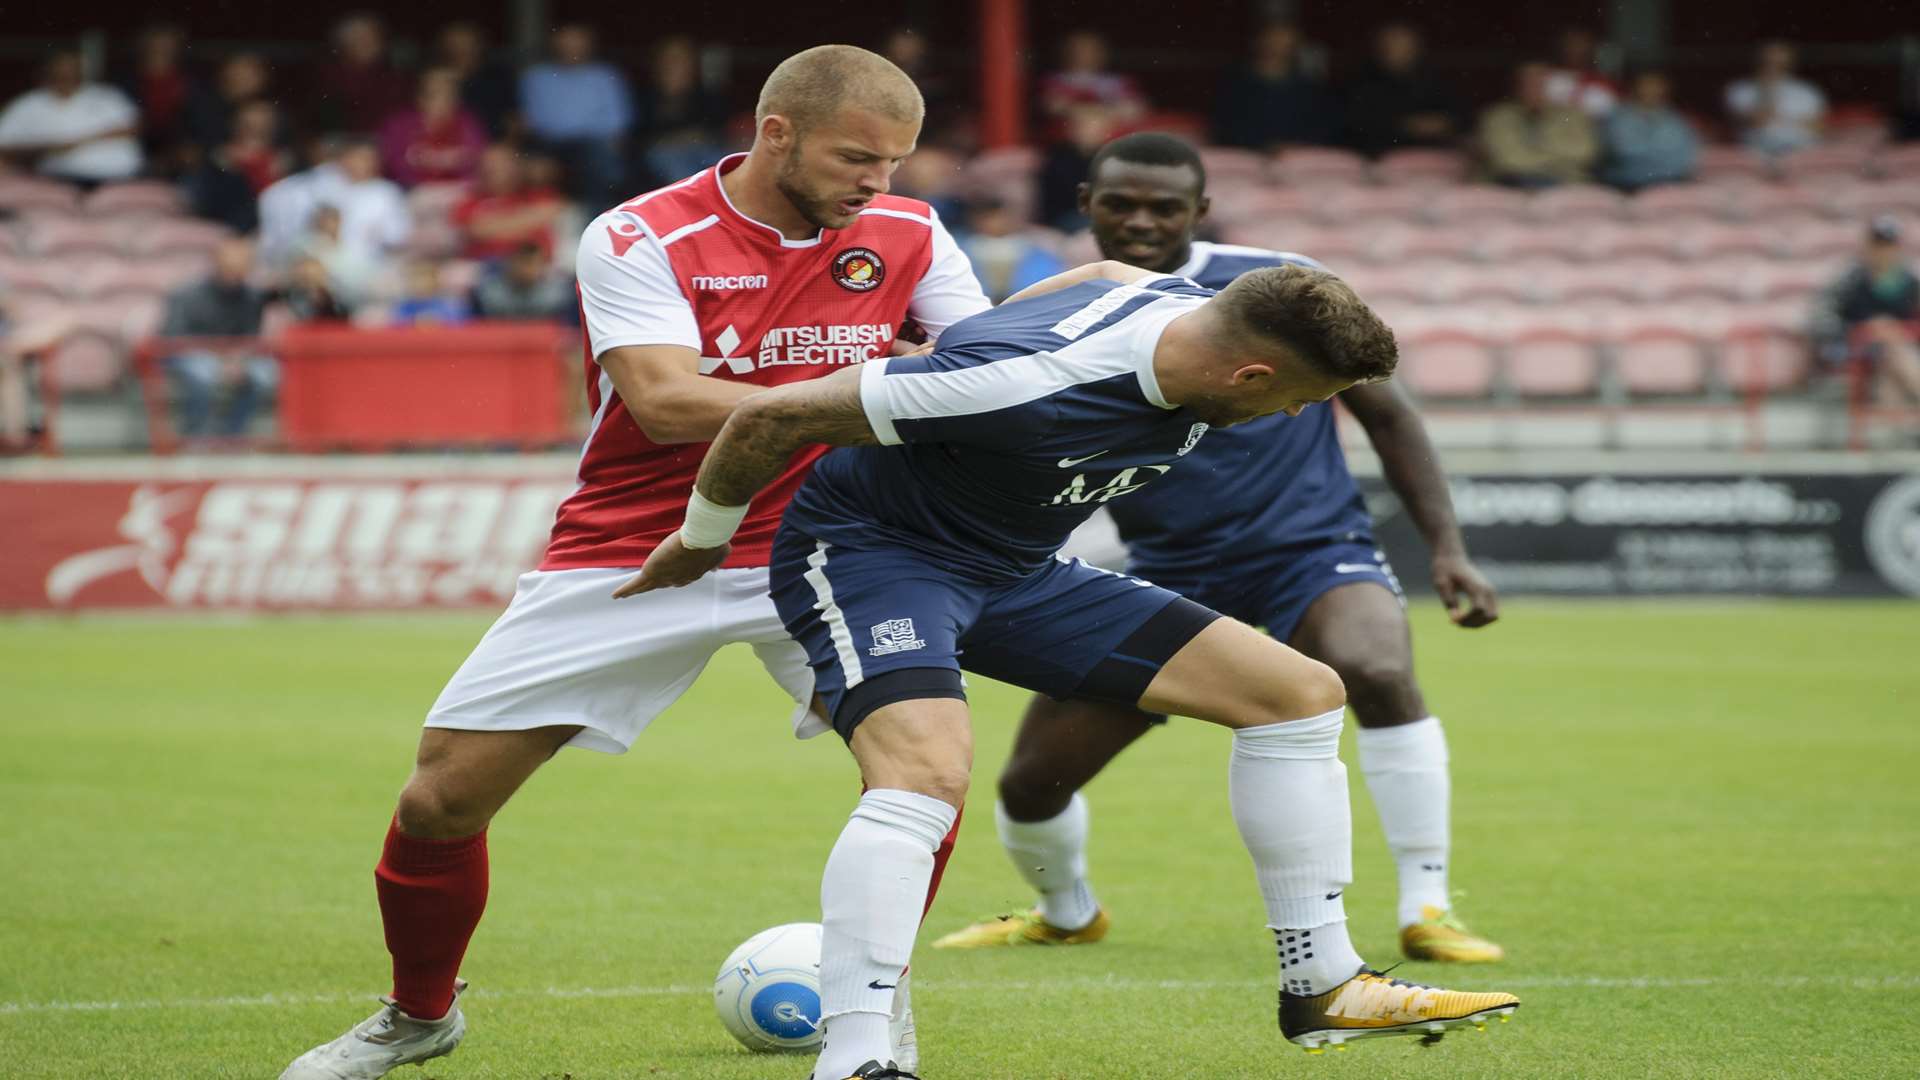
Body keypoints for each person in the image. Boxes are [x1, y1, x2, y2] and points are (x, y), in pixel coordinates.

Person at [276, 44, 991, 1080]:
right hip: (634, 543)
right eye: (856, 159)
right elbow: (665, 402)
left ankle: (870, 1014)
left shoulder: (911, 232)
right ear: (774, 132)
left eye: (894, 162)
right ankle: (421, 1016)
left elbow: (988, 372)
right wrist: (881, 387)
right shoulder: (642, 232)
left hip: (835, 543)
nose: (878, 183)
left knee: (928, 772)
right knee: (440, 801)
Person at [621, 259, 1520, 1075]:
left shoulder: (1176, 308)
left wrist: (982, 326)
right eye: (1294, 401)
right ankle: (857, 1054)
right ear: (1250, 374)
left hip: (1015, 567)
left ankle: (1323, 986)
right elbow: (766, 416)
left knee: (1298, 694)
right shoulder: (1021, 386)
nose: (1288, 419)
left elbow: (1098, 269)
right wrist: (701, 543)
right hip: (874, 556)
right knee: (926, 774)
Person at [926, 131, 1508, 972]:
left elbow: (1391, 415)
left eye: (1165, 208)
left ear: (1200, 212)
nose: (1140, 222)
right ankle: (1066, 911)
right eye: (1120, 204)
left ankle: (1428, 907)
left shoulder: (1278, 284)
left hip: (1310, 550)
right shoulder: (1067, 300)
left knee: (1373, 669)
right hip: (1170, 573)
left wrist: (1448, 550)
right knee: (1030, 783)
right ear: (1086, 203)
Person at [160, 237, 275, 440]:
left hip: (232, 357)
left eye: (242, 269)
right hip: (187, 355)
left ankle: (234, 434)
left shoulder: (251, 297)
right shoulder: (186, 294)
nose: (236, 274)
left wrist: (238, 360)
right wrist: (218, 357)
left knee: (264, 374)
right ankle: (196, 435)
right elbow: (173, 338)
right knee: (203, 373)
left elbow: (251, 337)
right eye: (230, 268)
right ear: (217, 264)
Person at [1811, 216, 1920, 406]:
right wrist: (1865, 329)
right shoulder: (1849, 280)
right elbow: (1821, 318)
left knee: (1890, 376)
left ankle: (1897, 428)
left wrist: (1894, 330)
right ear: (1868, 246)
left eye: (1889, 245)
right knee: (1893, 352)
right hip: (1854, 348)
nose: (1883, 251)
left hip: (1896, 349)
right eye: (1878, 245)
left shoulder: (1910, 282)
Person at [520, 24, 633, 206]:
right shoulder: (537, 77)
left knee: (600, 158)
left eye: (578, 41)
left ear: (589, 44)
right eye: (567, 41)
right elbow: (534, 120)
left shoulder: (605, 76)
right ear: (555, 43)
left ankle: (596, 218)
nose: (572, 47)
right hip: (550, 144)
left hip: (593, 144)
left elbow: (618, 121)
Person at [0, 51, 142, 184]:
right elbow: (5, 145)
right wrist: (48, 147)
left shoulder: (108, 96)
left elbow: (134, 127)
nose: (67, 73)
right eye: (61, 68)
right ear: (47, 70)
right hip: (55, 180)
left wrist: (77, 142)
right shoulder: (28, 103)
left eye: (73, 67)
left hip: (118, 178)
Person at [1341, 22, 1466, 158]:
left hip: (1437, 158)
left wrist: (1444, 124)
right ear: (1379, 49)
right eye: (1392, 45)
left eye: (1406, 45)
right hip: (1381, 158)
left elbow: (1461, 118)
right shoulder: (1360, 84)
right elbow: (1358, 125)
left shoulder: (1436, 82)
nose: (1400, 51)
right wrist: (1408, 126)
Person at [1212, 22, 1339, 151]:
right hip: (1247, 160)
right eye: (1272, 40)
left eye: (1284, 42)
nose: (1276, 47)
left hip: (1302, 161)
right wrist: (1266, 147)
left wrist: (1295, 147)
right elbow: (1226, 130)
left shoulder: (1311, 89)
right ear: (1259, 42)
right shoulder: (1236, 87)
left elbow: (1324, 130)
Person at [1480, 60, 1597, 188]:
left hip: (1567, 186)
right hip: (1513, 188)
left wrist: (1534, 151)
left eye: (1541, 82)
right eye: (1528, 83)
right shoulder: (1497, 117)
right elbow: (1507, 161)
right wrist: (1558, 159)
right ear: (1516, 86)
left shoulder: (1572, 115)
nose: (1535, 88)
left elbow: (1585, 152)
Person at [630, 36, 728, 189]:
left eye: (683, 60)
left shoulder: (707, 95)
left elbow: (716, 130)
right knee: (673, 160)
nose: (676, 66)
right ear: (658, 63)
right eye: (671, 60)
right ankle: (692, 204)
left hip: (704, 150)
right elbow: (639, 138)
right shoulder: (644, 96)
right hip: (661, 154)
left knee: (723, 160)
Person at [450, 143, 565, 260]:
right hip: (485, 267)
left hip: (534, 267)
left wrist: (497, 227)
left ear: (515, 169)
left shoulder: (535, 195)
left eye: (500, 166)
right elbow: (476, 231)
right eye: (487, 166)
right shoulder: (469, 199)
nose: (491, 171)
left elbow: (551, 210)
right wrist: (527, 226)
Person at [379, 68, 488, 187]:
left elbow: (477, 157)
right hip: (414, 189)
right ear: (420, 97)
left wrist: (451, 161)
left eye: (448, 95)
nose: (442, 101)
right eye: (434, 94)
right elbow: (393, 161)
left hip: (460, 189)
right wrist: (422, 161)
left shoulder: (468, 122)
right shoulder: (399, 123)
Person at [312, 13, 411, 135]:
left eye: (373, 37)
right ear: (343, 45)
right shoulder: (328, 77)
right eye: (359, 38)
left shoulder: (397, 77)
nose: (368, 43)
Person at [1600, 71, 1699, 191]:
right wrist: (1662, 155)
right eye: (1646, 85)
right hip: (1628, 184)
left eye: (1657, 86)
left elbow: (1686, 155)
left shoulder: (1675, 118)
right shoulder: (1618, 116)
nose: (1652, 90)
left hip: (1670, 182)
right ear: (1635, 88)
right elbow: (1625, 151)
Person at [1726, 40, 1825, 157]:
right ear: (1758, 61)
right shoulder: (1740, 89)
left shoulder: (1807, 91)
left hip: (1800, 148)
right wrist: (1766, 89)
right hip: (1756, 150)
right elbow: (1758, 121)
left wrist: (1778, 119)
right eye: (1768, 62)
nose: (1773, 67)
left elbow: (1818, 127)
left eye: (1780, 63)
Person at [1038, 31, 1145, 139]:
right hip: (1066, 142)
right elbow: (1053, 106)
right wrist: (1086, 113)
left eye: (1092, 50)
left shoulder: (1118, 81)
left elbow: (1135, 108)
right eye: (1080, 50)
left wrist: (1101, 114)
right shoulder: (1055, 80)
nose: (1086, 55)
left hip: (1112, 131)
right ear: (1067, 52)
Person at [957, 196, 1065, 302]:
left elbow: (1047, 280)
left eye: (999, 217)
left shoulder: (1036, 249)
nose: (995, 223)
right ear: (975, 220)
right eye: (988, 218)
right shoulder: (960, 250)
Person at [435, 22, 519, 140]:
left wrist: (508, 145)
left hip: (492, 146)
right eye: (454, 44)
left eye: (467, 43)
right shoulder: (435, 77)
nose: (461, 49)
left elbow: (514, 119)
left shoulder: (499, 76)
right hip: (446, 146)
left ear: (479, 45)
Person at [470, 243, 575, 322]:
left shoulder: (557, 295)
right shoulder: (489, 293)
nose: (528, 270)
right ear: (510, 263)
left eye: (535, 264)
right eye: (524, 263)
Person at [1544, 27, 1620, 118]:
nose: (1576, 50)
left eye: (1581, 45)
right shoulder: (1549, 78)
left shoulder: (1603, 82)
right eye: (1572, 44)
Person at [389, 261, 470, 326]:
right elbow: (397, 326)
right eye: (415, 279)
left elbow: (458, 325)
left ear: (436, 280)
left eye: (426, 278)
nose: (420, 284)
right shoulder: (404, 307)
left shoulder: (448, 306)